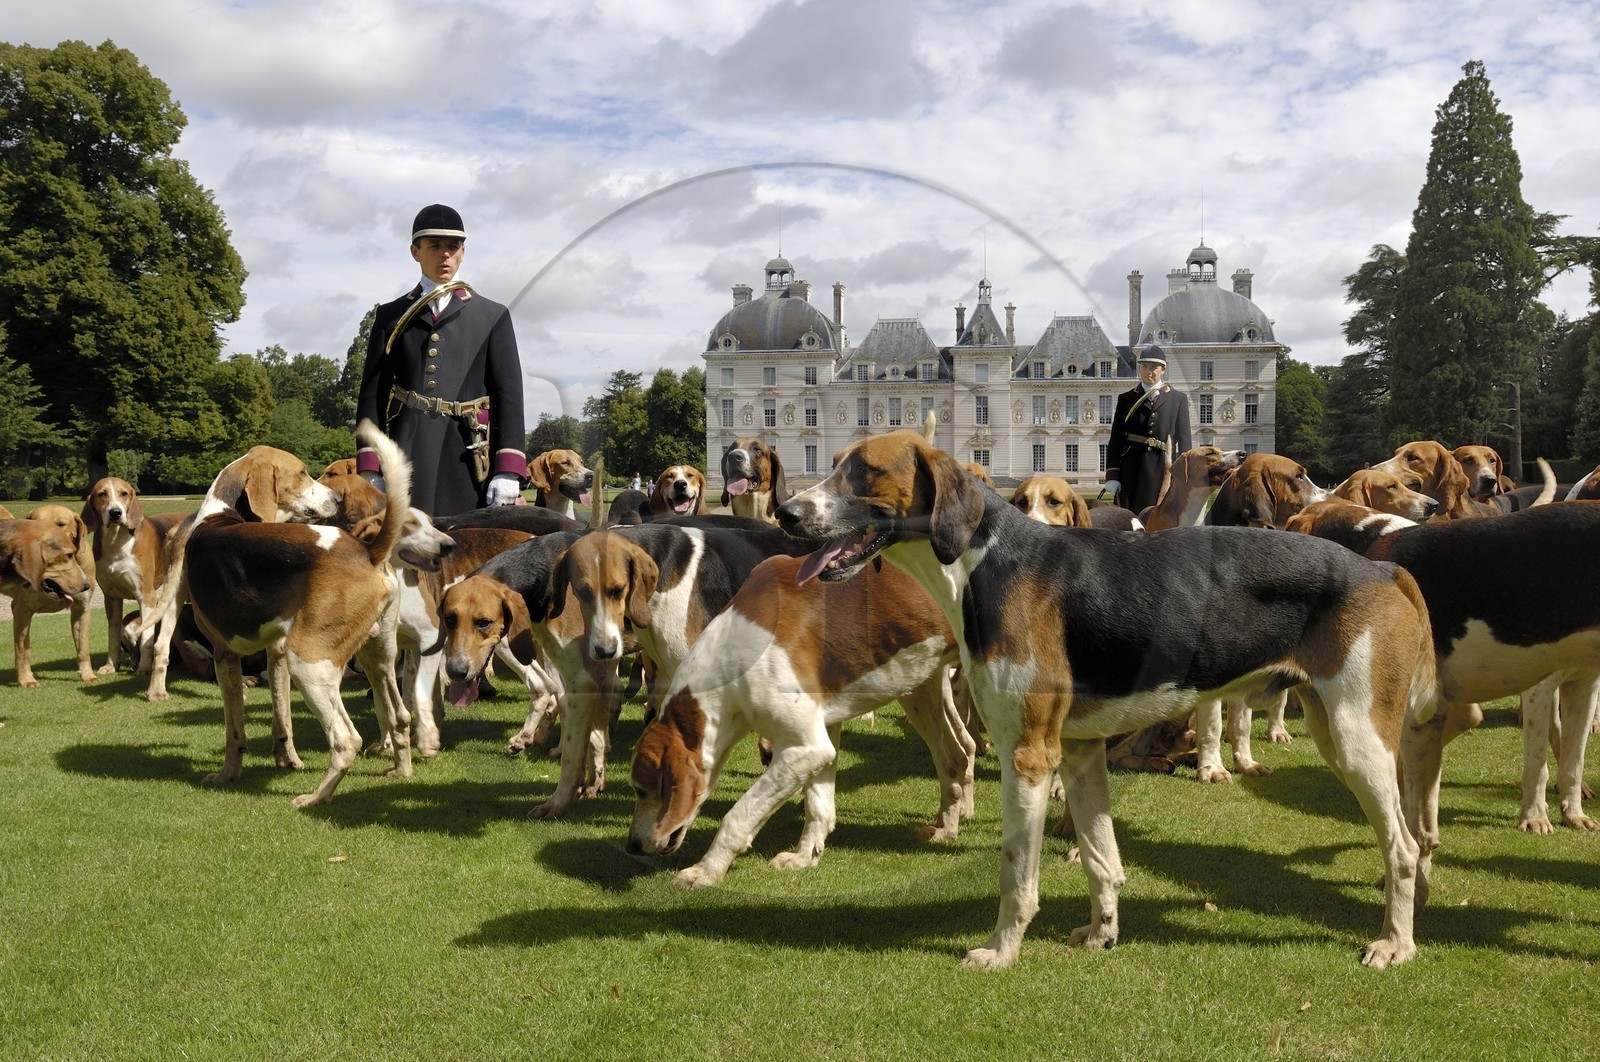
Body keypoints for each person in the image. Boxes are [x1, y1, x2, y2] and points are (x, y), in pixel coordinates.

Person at [356, 204, 526, 516]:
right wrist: (371, 467)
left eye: (453, 246)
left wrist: (508, 468)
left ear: (463, 251)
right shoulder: (390, 316)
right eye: (435, 246)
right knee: (406, 546)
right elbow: (372, 397)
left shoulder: (492, 315)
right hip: (406, 451)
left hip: (468, 453)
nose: (445, 255)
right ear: (414, 251)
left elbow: (509, 397)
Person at [1104, 344, 1192, 513]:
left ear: (1163, 369)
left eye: (1153, 367)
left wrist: (1182, 477)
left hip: (1163, 469)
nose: (1148, 371)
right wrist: (1113, 476)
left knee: (1161, 519)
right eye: (1144, 366)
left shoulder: (1178, 399)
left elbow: (1185, 443)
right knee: (1129, 518)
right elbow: (1115, 440)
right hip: (1131, 468)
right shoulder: (1126, 399)